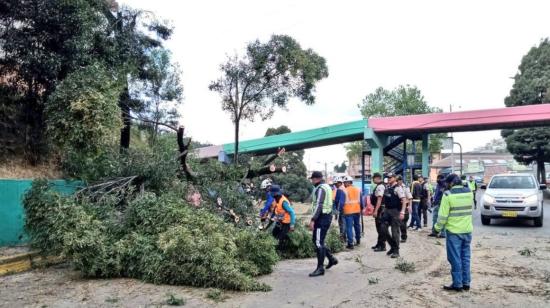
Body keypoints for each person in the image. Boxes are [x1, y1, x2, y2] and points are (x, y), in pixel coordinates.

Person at [435, 173, 474, 292]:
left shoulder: (448, 195)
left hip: (454, 232)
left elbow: (442, 216)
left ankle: (457, 284)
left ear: (451, 183)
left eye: (447, 183)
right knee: (465, 257)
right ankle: (466, 283)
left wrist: (437, 228)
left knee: (455, 258)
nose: (446, 185)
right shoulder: (469, 192)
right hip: (467, 230)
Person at [309, 171, 338, 277]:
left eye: (312, 179)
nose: (311, 181)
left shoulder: (321, 188)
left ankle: (320, 268)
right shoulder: (326, 186)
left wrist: (313, 219)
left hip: (322, 218)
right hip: (326, 216)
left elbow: (319, 205)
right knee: (317, 240)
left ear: (316, 179)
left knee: (318, 243)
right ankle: (331, 259)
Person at [381, 173, 407, 258]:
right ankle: (393, 246)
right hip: (387, 211)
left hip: (395, 211)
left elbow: (404, 200)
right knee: (383, 229)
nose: (388, 178)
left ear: (395, 178)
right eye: (387, 177)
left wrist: (402, 212)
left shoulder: (398, 188)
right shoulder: (388, 188)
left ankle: (396, 251)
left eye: (390, 177)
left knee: (394, 231)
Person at [270, 185, 296, 250]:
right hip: (280, 221)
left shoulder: (283, 202)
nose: (273, 196)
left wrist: (292, 225)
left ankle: (279, 251)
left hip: (286, 223)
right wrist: (273, 217)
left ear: (275, 194)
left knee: (280, 238)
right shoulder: (277, 200)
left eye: (273, 195)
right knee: (274, 233)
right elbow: (278, 211)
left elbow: (292, 212)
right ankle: (284, 244)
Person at [342, 176, 364, 249]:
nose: (344, 184)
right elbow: (361, 201)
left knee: (349, 227)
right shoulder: (358, 189)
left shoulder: (344, 191)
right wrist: (362, 208)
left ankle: (350, 243)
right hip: (357, 211)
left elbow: (341, 203)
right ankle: (358, 240)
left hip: (348, 212)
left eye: (345, 182)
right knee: (357, 225)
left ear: (348, 182)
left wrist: (339, 210)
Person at [371, 173, 386, 251]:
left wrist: (376, 211)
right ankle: (379, 243)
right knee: (378, 228)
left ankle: (382, 246)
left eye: (373, 178)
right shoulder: (379, 185)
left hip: (380, 209)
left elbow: (379, 200)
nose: (373, 180)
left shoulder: (380, 186)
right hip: (380, 208)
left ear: (377, 178)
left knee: (380, 228)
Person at [397, 175, 412, 243]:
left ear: (401, 180)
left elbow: (410, 198)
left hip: (404, 207)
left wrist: (409, 206)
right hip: (397, 207)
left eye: (398, 180)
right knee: (398, 223)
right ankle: (398, 236)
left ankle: (404, 237)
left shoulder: (405, 187)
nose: (397, 182)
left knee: (403, 223)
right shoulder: (395, 187)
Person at [332, 176, 347, 242]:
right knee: (345, 223)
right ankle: (344, 237)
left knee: (341, 223)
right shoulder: (345, 188)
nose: (335, 185)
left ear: (339, 183)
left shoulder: (339, 189)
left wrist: (337, 210)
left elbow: (337, 200)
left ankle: (342, 237)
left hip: (342, 208)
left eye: (335, 184)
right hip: (347, 208)